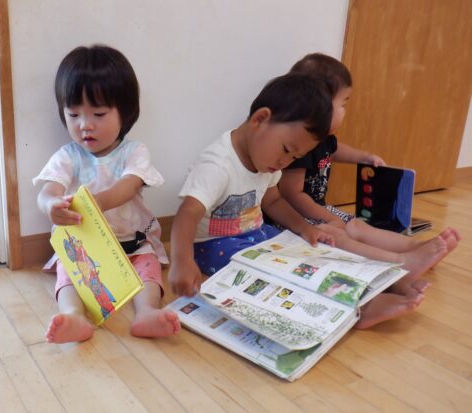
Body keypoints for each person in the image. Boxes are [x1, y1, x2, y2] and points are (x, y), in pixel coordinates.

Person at [167, 73, 436, 329]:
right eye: (286, 149)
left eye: (294, 158)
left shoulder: (266, 161)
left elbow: (273, 202)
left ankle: (385, 282)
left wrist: (305, 228)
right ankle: (363, 309)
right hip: (214, 245)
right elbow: (187, 213)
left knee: (316, 255)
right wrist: (182, 260)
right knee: (280, 276)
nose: (285, 162)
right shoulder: (218, 164)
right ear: (260, 119)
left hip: (258, 235)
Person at [278, 54, 460, 302]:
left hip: (319, 209)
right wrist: (329, 218)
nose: (345, 111)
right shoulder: (300, 144)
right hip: (296, 218)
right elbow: (291, 194)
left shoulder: (322, 139)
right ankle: (401, 262)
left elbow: (335, 150)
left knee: (359, 226)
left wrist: (363, 157)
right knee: (340, 236)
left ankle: (415, 248)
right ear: (319, 105)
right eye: (343, 104)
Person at [33, 45, 180, 344]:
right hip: (85, 251)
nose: (85, 125)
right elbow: (48, 190)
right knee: (68, 272)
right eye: (74, 114)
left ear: (125, 113)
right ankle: (73, 315)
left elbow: (130, 185)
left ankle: (147, 312)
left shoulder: (134, 152)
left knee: (148, 267)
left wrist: (97, 203)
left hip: (131, 245)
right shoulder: (68, 156)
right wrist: (50, 205)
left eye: (98, 114)